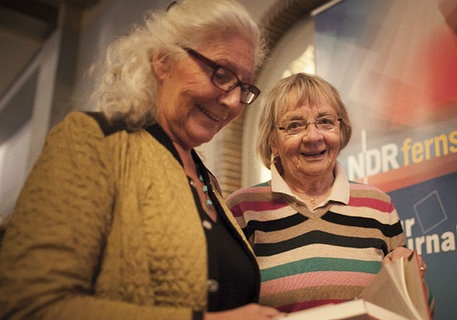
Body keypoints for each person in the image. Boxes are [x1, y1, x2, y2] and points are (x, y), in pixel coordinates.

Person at [0, 1, 283, 319]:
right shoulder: (96, 142)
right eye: (220, 74)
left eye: (243, 87)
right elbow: (28, 304)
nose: (233, 102)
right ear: (163, 60)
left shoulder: (207, 181)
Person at [226, 73, 433, 313]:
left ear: (341, 130)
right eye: (294, 125)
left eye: (325, 121)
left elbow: (413, 310)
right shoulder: (242, 209)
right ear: (273, 141)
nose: (314, 137)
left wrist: (415, 278)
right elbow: (227, 310)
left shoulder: (378, 206)